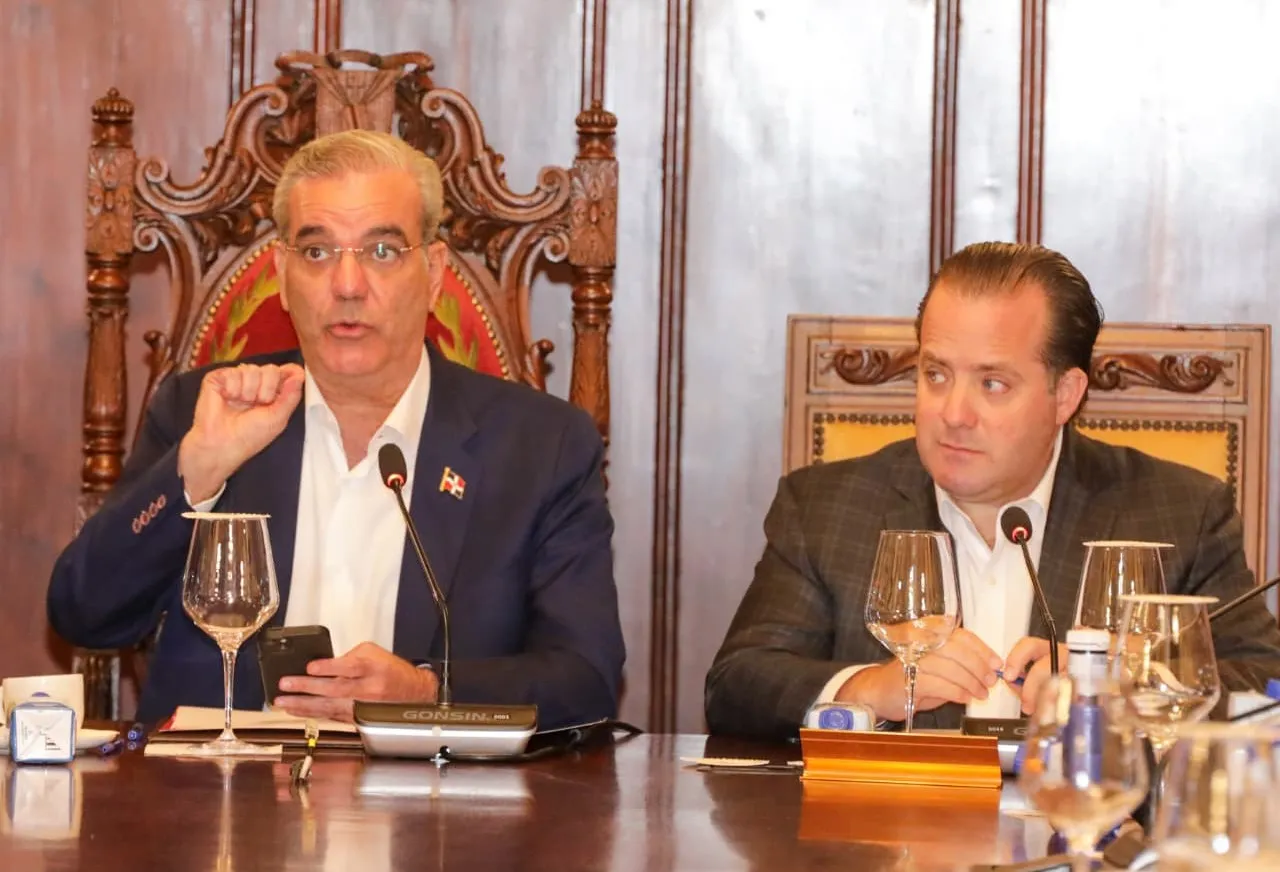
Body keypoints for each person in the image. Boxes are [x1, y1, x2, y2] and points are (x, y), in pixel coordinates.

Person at [48, 130, 624, 729]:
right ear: (282, 274)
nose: (347, 286)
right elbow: (85, 616)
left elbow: (586, 677)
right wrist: (196, 473)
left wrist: (427, 692)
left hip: (430, 785)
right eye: (318, 251)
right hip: (225, 784)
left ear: (433, 273)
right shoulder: (203, 412)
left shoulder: (542, 446)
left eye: (382, 251)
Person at [705, 241, 1280, 740]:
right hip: (892, 827)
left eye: (993, 383)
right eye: (935, 375)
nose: (954, 413)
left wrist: (1119, 684)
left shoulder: (1179, 514)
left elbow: (1264, 690)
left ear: (1065, 395)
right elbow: (737, 685)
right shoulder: (827, 507)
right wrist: (867, 689)